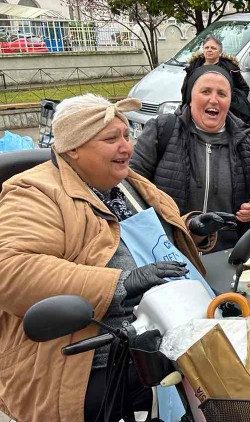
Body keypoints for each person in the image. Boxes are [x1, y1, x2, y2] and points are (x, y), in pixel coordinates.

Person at [0, 94, 233, 422]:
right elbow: (11, 271)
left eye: (127, 135)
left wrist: (192, 229)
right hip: (91, 361)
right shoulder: (34, 193)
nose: (127, 147)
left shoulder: (127, 184)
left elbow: (145, 243)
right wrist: (120, 283)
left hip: (169, 332)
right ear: (73, 148)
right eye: (111, 139)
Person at [131, 66, 250, 252]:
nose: (214, 100)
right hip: (169, 250)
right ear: (190, 96)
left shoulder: (246, 142)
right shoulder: (162, 130)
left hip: (226, 252)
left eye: (222, 93)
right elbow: (132, 186)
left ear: (230, 100)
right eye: (205, 91)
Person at [180, 35, 250, 130]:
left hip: (227, 114)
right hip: (197, 114)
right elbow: (186, 90)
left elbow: (244, 89)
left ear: (219, 52)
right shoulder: (193, 68)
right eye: (206, 47)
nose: (209, 50)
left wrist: (229, 101)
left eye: (213, 48)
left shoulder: (230, 69)